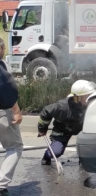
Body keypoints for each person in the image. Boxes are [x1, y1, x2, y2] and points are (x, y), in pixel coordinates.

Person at [37, 80, 96, 165]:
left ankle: (84, 160)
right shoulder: (62, 107)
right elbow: (46, 112)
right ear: (77, 97)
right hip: (62, 131)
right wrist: (42, 129)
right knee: (56, 151)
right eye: (86, 96)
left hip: (82, 130)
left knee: (90, 148)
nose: (89, 98)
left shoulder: (90, 105)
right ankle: (47, 156)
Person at [0, 38, 23, 196]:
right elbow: (6, 88)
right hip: (3, 111)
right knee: (15, 147)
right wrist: (16, 109)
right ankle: (1, 184)